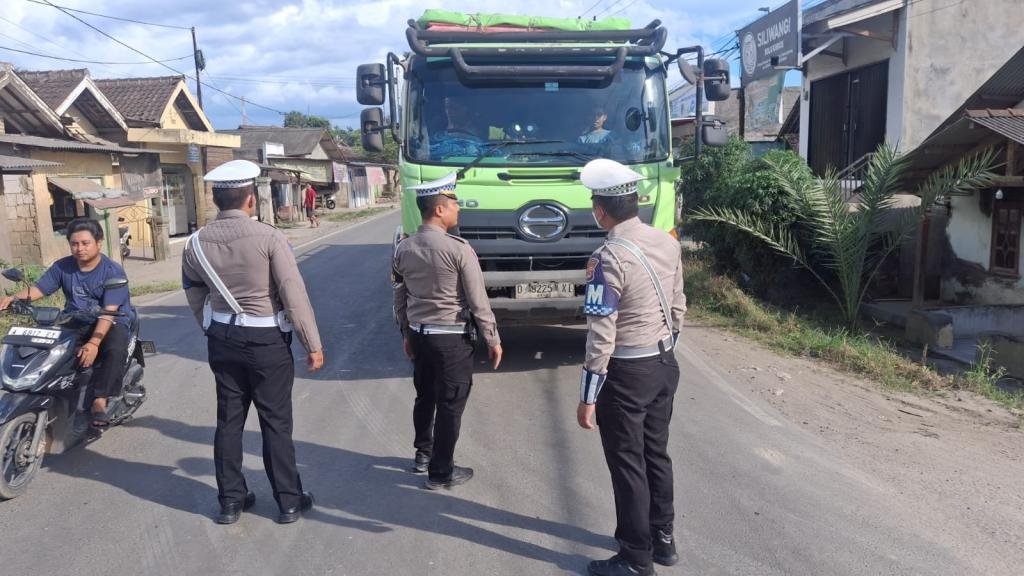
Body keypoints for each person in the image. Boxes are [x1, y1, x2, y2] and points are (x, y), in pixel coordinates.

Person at [181, 159, 325, 525]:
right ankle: (289, 501)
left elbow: (194, 292)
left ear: (216, 200)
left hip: (222, 338)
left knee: (228, 419)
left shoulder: (194, 243)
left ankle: (230, 501)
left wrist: (210, 328)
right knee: (275, 421)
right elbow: (293, 294)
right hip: (266, 340)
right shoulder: (270, 237)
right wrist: (312, 343)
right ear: (250, 199)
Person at [575, 159, 687, 576]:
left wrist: (588, 396)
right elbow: (678, 307)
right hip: (662, 362)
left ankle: (636, 558)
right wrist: (664, 347)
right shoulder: (667, 242)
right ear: (635, 202)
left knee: (627, 463)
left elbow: (601, 335)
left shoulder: (605, 258)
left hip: (625, 374)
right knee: (656, 452)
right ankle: (663, 540)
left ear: (600, 210)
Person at [392, 172, 502, 490]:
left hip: (419, 335)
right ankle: (440, 472)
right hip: (451, 338)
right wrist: (492, 338)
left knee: (425, 395)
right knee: (451, 403)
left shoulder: (403, 248)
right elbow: (478, 300)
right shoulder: (459, 249)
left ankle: (423, 455)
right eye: (454, 202)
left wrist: (406, 333)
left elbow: (400, 293)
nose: (458, 208)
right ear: (439, 209)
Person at [0, 218, 133, 428]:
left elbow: (109, 312)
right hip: (75, 319)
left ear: (98, 243)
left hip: (112, 321)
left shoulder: (112, 271)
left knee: (114, 349)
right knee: (46, 346)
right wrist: (14, 298)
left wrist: (94, 344)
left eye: (85, 243)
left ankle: (100, 400)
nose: (79, 248)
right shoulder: (63, 266)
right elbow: (40, 289)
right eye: (74, 243)